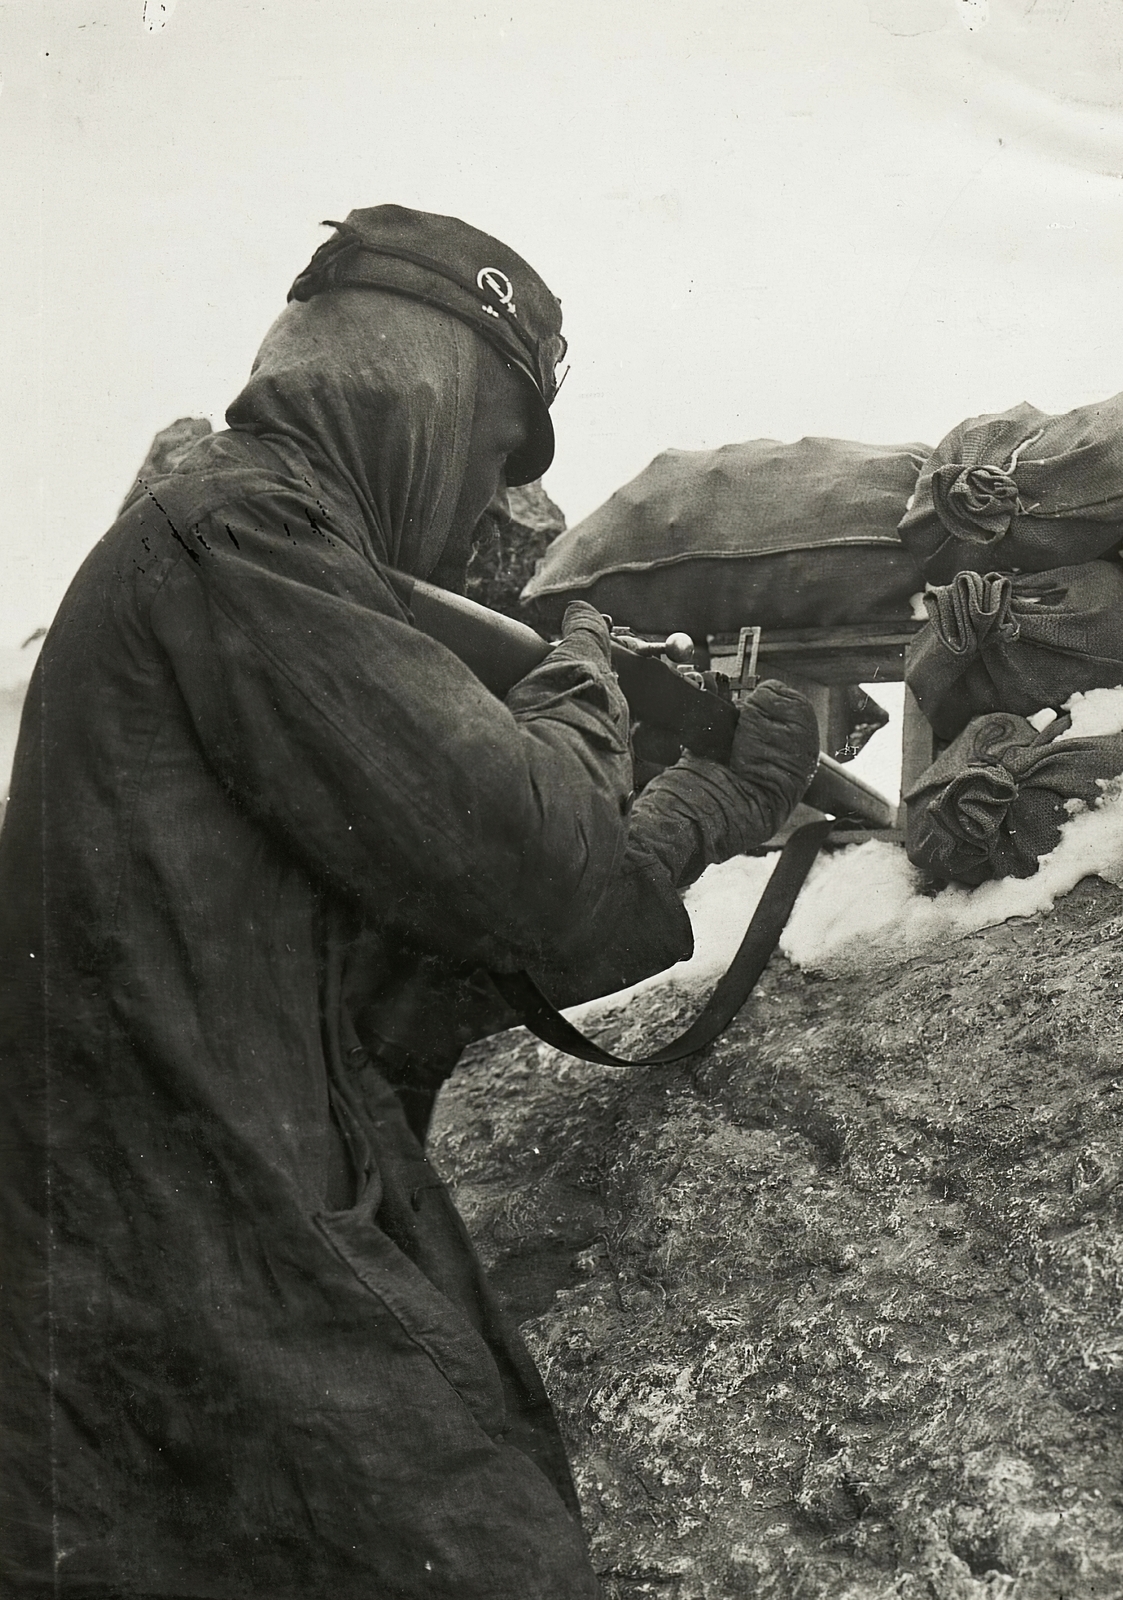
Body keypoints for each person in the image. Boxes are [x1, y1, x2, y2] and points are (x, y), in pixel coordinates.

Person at [0, 204, 819, 1599]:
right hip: (190, 1244)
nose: (486, 503)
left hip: (170, 1239)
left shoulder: (226, 548)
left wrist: (693, 815)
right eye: (497, 452)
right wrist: (585, 679)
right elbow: (538, 880)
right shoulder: (242, 539)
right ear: (426, 392)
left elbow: (424, 961)